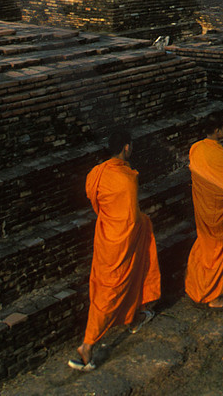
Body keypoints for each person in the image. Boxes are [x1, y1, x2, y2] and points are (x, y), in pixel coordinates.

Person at [70, 131, 161, 371]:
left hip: (105, 234)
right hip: (122, 238)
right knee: (111, 290)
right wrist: (140, 222)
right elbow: (131, 218)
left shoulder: (96, 173)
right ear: (126, 148)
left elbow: (96, 203)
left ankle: (134, 317)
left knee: (125, 278)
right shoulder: (126, 178)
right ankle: (87, 346)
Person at [185, 118, 223, 309]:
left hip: (203, 208)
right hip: (220, 212)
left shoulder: (195, 148)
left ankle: (197, 287)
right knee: (219, 250)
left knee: (206, 246)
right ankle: (214, 297)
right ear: (218, 131)